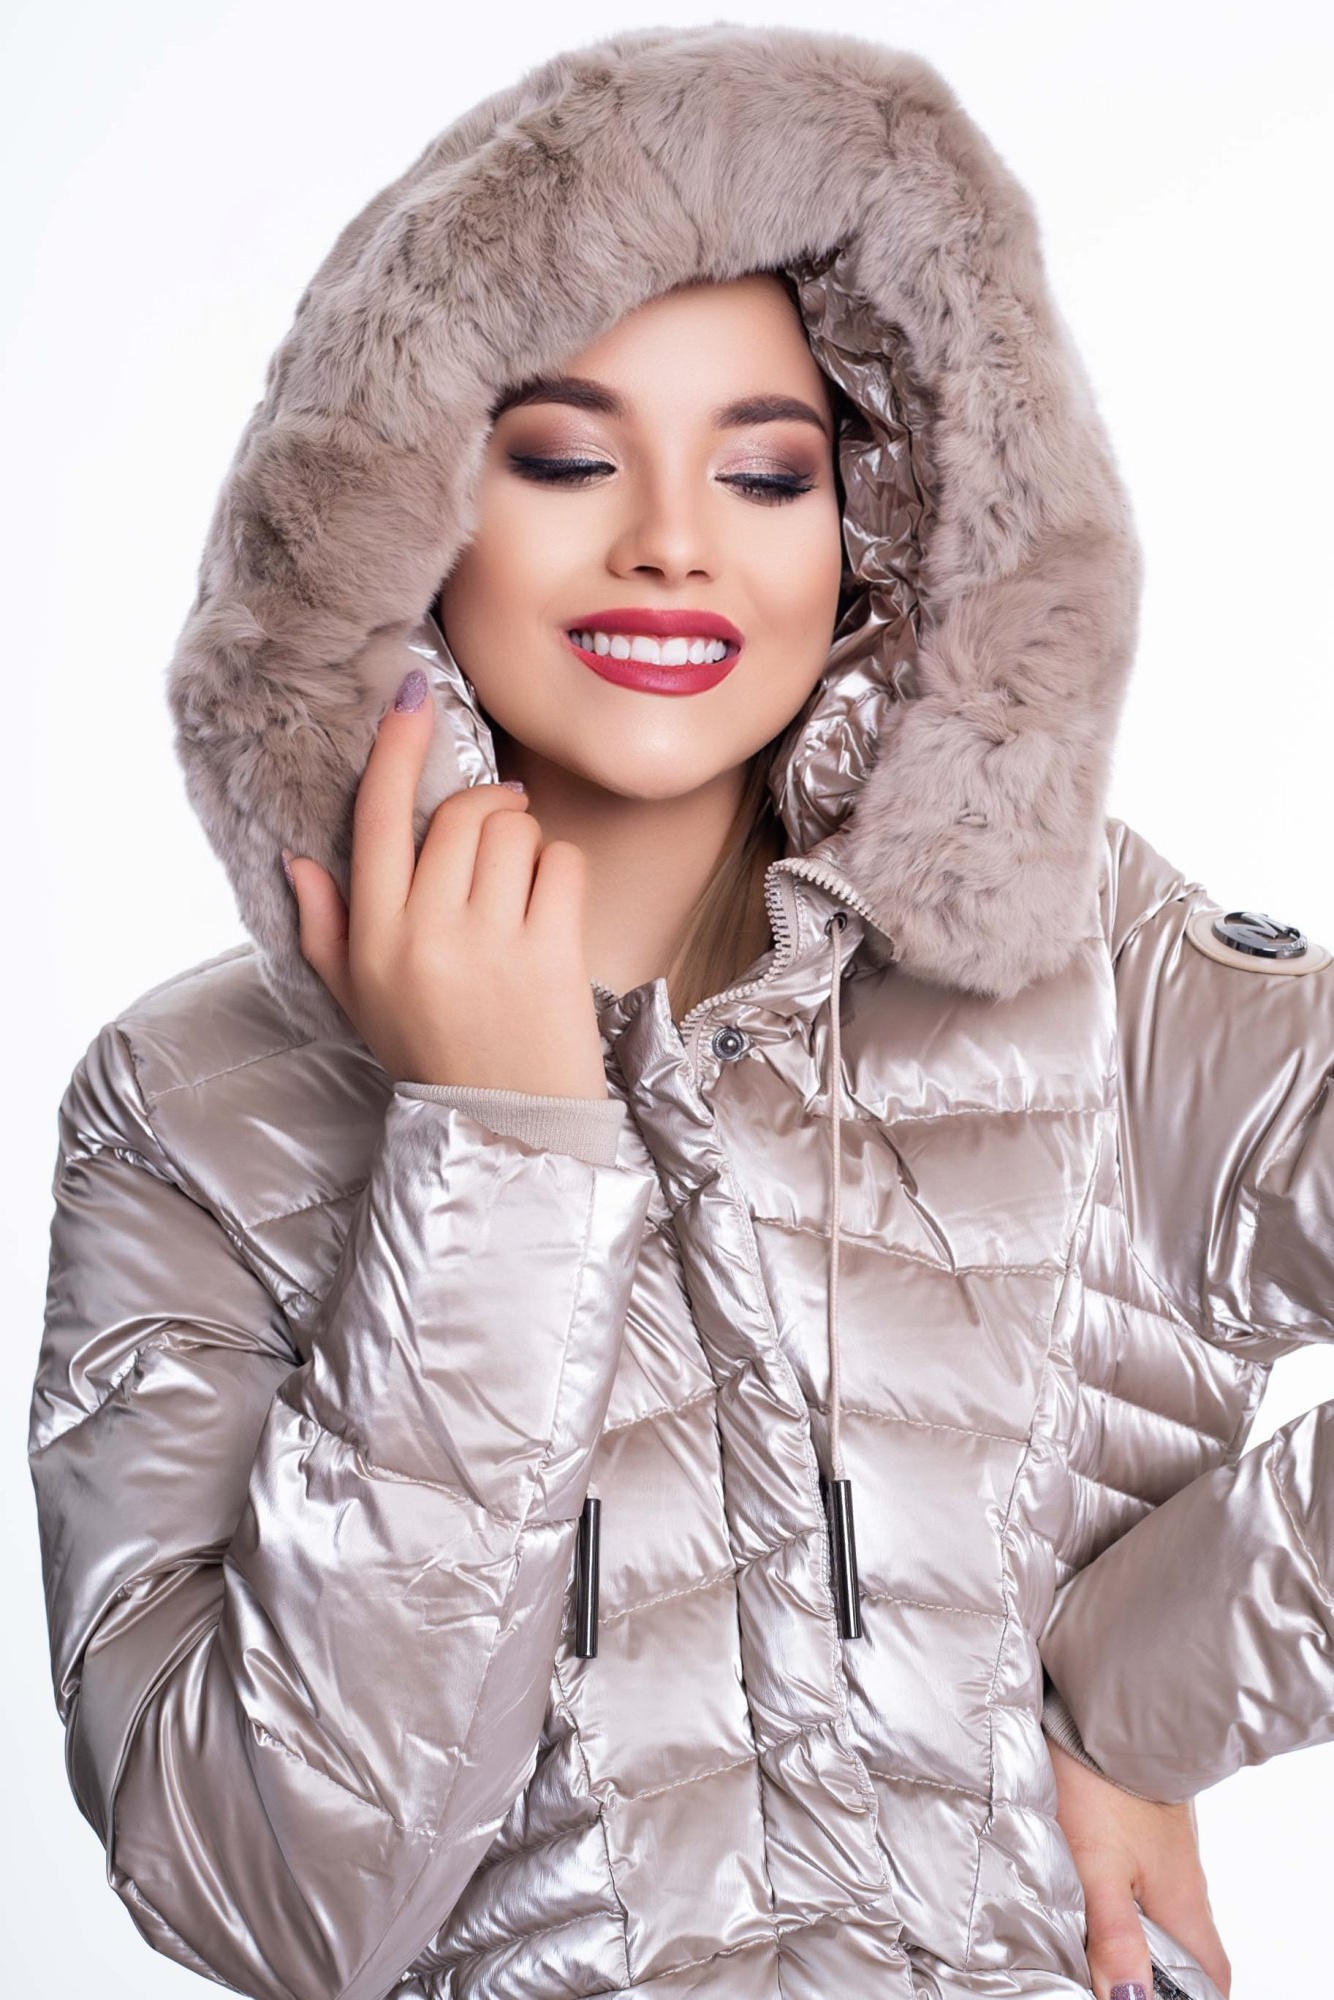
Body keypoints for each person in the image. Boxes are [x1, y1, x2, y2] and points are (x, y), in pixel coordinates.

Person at [26, 22, 1334, 2000]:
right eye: (562, 456)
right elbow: (267, 1904)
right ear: (407, 515)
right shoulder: (192, 1108)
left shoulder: (1098, 972)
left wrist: (1141, 1687)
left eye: (766, 469)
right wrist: (497, 1153)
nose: (670, 536)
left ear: (877, 523)